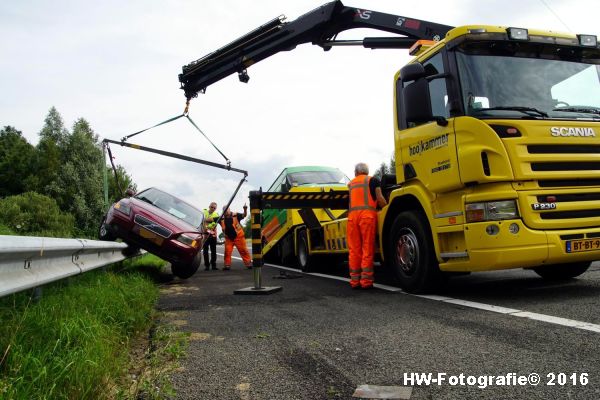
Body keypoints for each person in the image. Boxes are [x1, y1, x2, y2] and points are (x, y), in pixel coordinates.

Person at [347, 162, 387, 289]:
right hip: (367, 217)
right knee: (367, 248)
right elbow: (380, 199)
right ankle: (366, 282)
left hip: (352, 219)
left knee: (354, 250)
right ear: (367, 171)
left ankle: (354, 281)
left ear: (356, 172)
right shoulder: (373, 180)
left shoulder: (351, 184)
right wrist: (387, 207)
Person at [219, 204, 252, 270]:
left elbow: (244, 215)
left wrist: (245, 209)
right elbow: (210, 219)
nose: (226, 212)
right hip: (229, 238)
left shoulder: (236, 215)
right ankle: (227, 265)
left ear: (229, 209)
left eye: (227, 210)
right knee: (227, 251)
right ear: (223, 211)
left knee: (243, 250)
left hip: (239, 237)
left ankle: (248, 263)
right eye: (224, 210)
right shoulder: (221, 218)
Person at [202, 202, 219, 271]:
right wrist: (205, 227)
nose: (213, 209)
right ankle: (207, 265)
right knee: (205, 251)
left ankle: (213, 265)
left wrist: (207, 225)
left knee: (213, 251)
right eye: (212, 207)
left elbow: (214, 224)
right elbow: (201, 221)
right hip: (205, 234)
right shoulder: (203, 212)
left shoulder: (216, 214)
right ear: (209, 206)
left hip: (212, 234)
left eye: (214, 208)